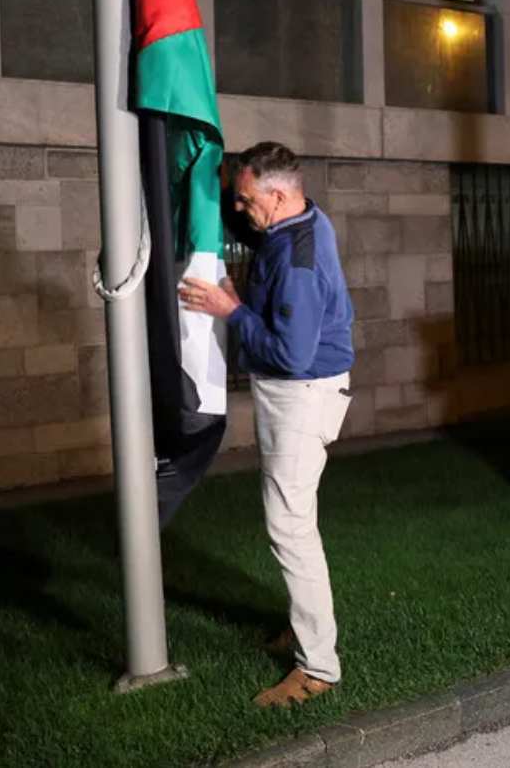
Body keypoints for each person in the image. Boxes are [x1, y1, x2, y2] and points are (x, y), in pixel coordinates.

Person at [179, 141, 355, 708]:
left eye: (246, 198)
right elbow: (255, 242)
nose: (239, 208)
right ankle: (304, 629)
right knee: (293, 523)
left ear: (277, 196)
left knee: (290, 530)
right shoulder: (298, 220)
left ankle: (318, 667)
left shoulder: (298, 256)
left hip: (301, 396)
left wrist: (231, 312)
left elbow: (292, 354)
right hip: (302, 393)